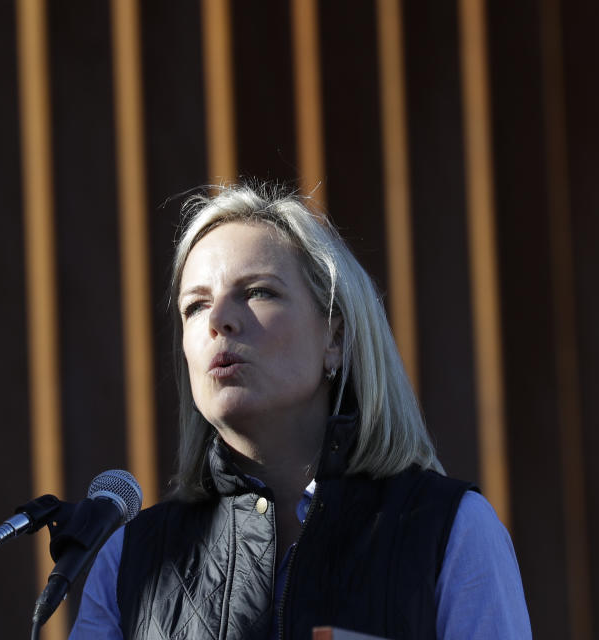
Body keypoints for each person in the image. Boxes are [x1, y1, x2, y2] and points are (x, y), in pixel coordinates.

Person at [70, 182, 531, 639]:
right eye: (195, 306)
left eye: (257, 292)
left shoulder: (452, 530)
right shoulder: (127, 560)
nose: (218, 321)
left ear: (334, 338)